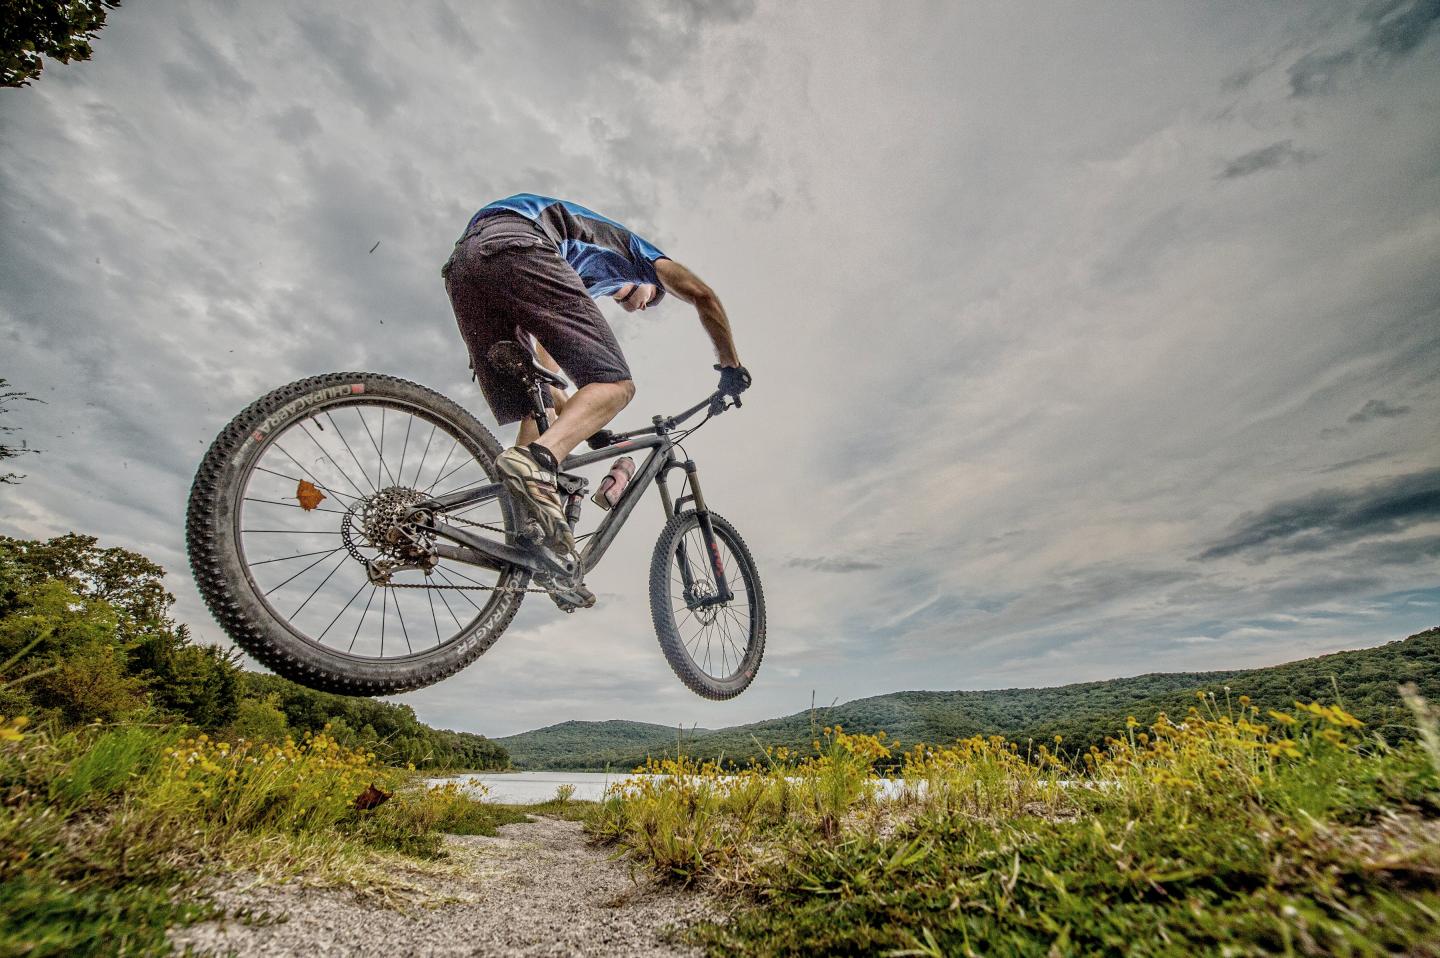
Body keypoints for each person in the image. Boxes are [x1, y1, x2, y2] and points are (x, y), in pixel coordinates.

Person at [441, 192, 750, 567]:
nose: (645, 306)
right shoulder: (639, 254)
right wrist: (731, 366)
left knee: (535, 400)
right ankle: (537, 465)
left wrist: (586, 423)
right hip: (516, 240)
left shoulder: (574, 278)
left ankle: (526, 535)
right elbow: (703, 296)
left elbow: (549, 377)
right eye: (652, 298)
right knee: (617, 386)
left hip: (464, 266)